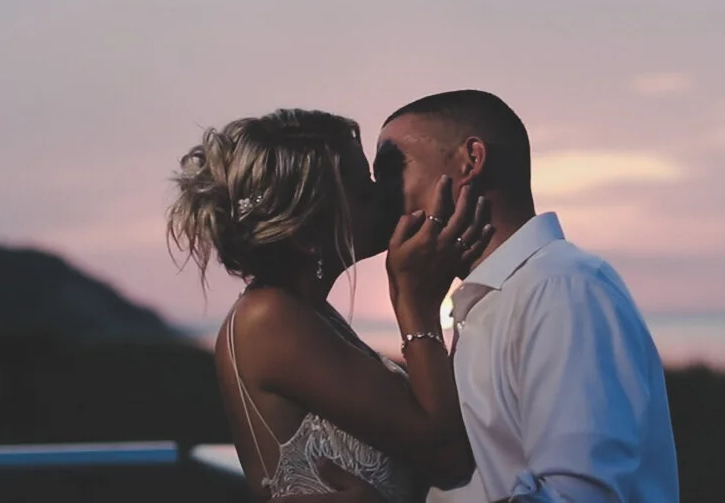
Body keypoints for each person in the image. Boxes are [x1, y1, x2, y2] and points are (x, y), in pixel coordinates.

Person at [280, 90, 681, 503]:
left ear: (471, 160)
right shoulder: (490, 301)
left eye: (394, 169)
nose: (381, 196)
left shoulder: (561, 288)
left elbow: (581, 495)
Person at [167, 108, 496, 503]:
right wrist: (416, 302)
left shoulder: (305, 312)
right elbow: (449, 456)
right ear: (306, 233)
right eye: (361, 191)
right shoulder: (268, 319)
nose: (385, 194)